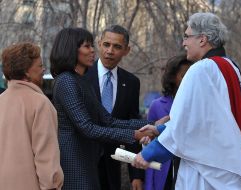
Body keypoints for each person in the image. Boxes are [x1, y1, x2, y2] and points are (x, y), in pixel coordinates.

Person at [133, 12, 241, 190]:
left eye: (187, 36)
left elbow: (184, 124)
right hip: (230, 167)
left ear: (202, 39)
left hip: (206, 172)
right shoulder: (230, 66)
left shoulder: (200, 69)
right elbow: (207, 120)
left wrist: (149, 153)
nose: (184, 43)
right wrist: (159, 129)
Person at [50, 28, 163, 190]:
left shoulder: (80, 81)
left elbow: (108, 120)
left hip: (88, 162)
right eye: (87, 46)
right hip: (74, 163)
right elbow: (87, 128)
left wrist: (155, 124)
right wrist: (134, 134)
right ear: (71, 49)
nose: (93, 51)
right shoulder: (66, 81)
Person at [87, 25, 144, 190]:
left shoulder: (131, 82)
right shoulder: (82, 76)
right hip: (84, 165)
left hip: (113, 167)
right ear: (99, 44)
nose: (110, 51)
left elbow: (132, 124)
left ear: (127, 50)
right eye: (106, 44)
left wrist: (136, 175)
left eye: (117, 47)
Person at [0, 42, 63, 190]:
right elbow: (46, 158)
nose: (43, 70)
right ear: (27, 71)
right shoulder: (40, 104)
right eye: (40, 66)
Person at [145, 54, 192, 190]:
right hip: (163, 172)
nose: (188, 80)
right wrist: (149, 184)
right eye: (184, 76)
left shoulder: (198, 104)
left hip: (189, 171)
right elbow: (149, 145)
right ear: (172, 77)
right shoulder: (157, 105)